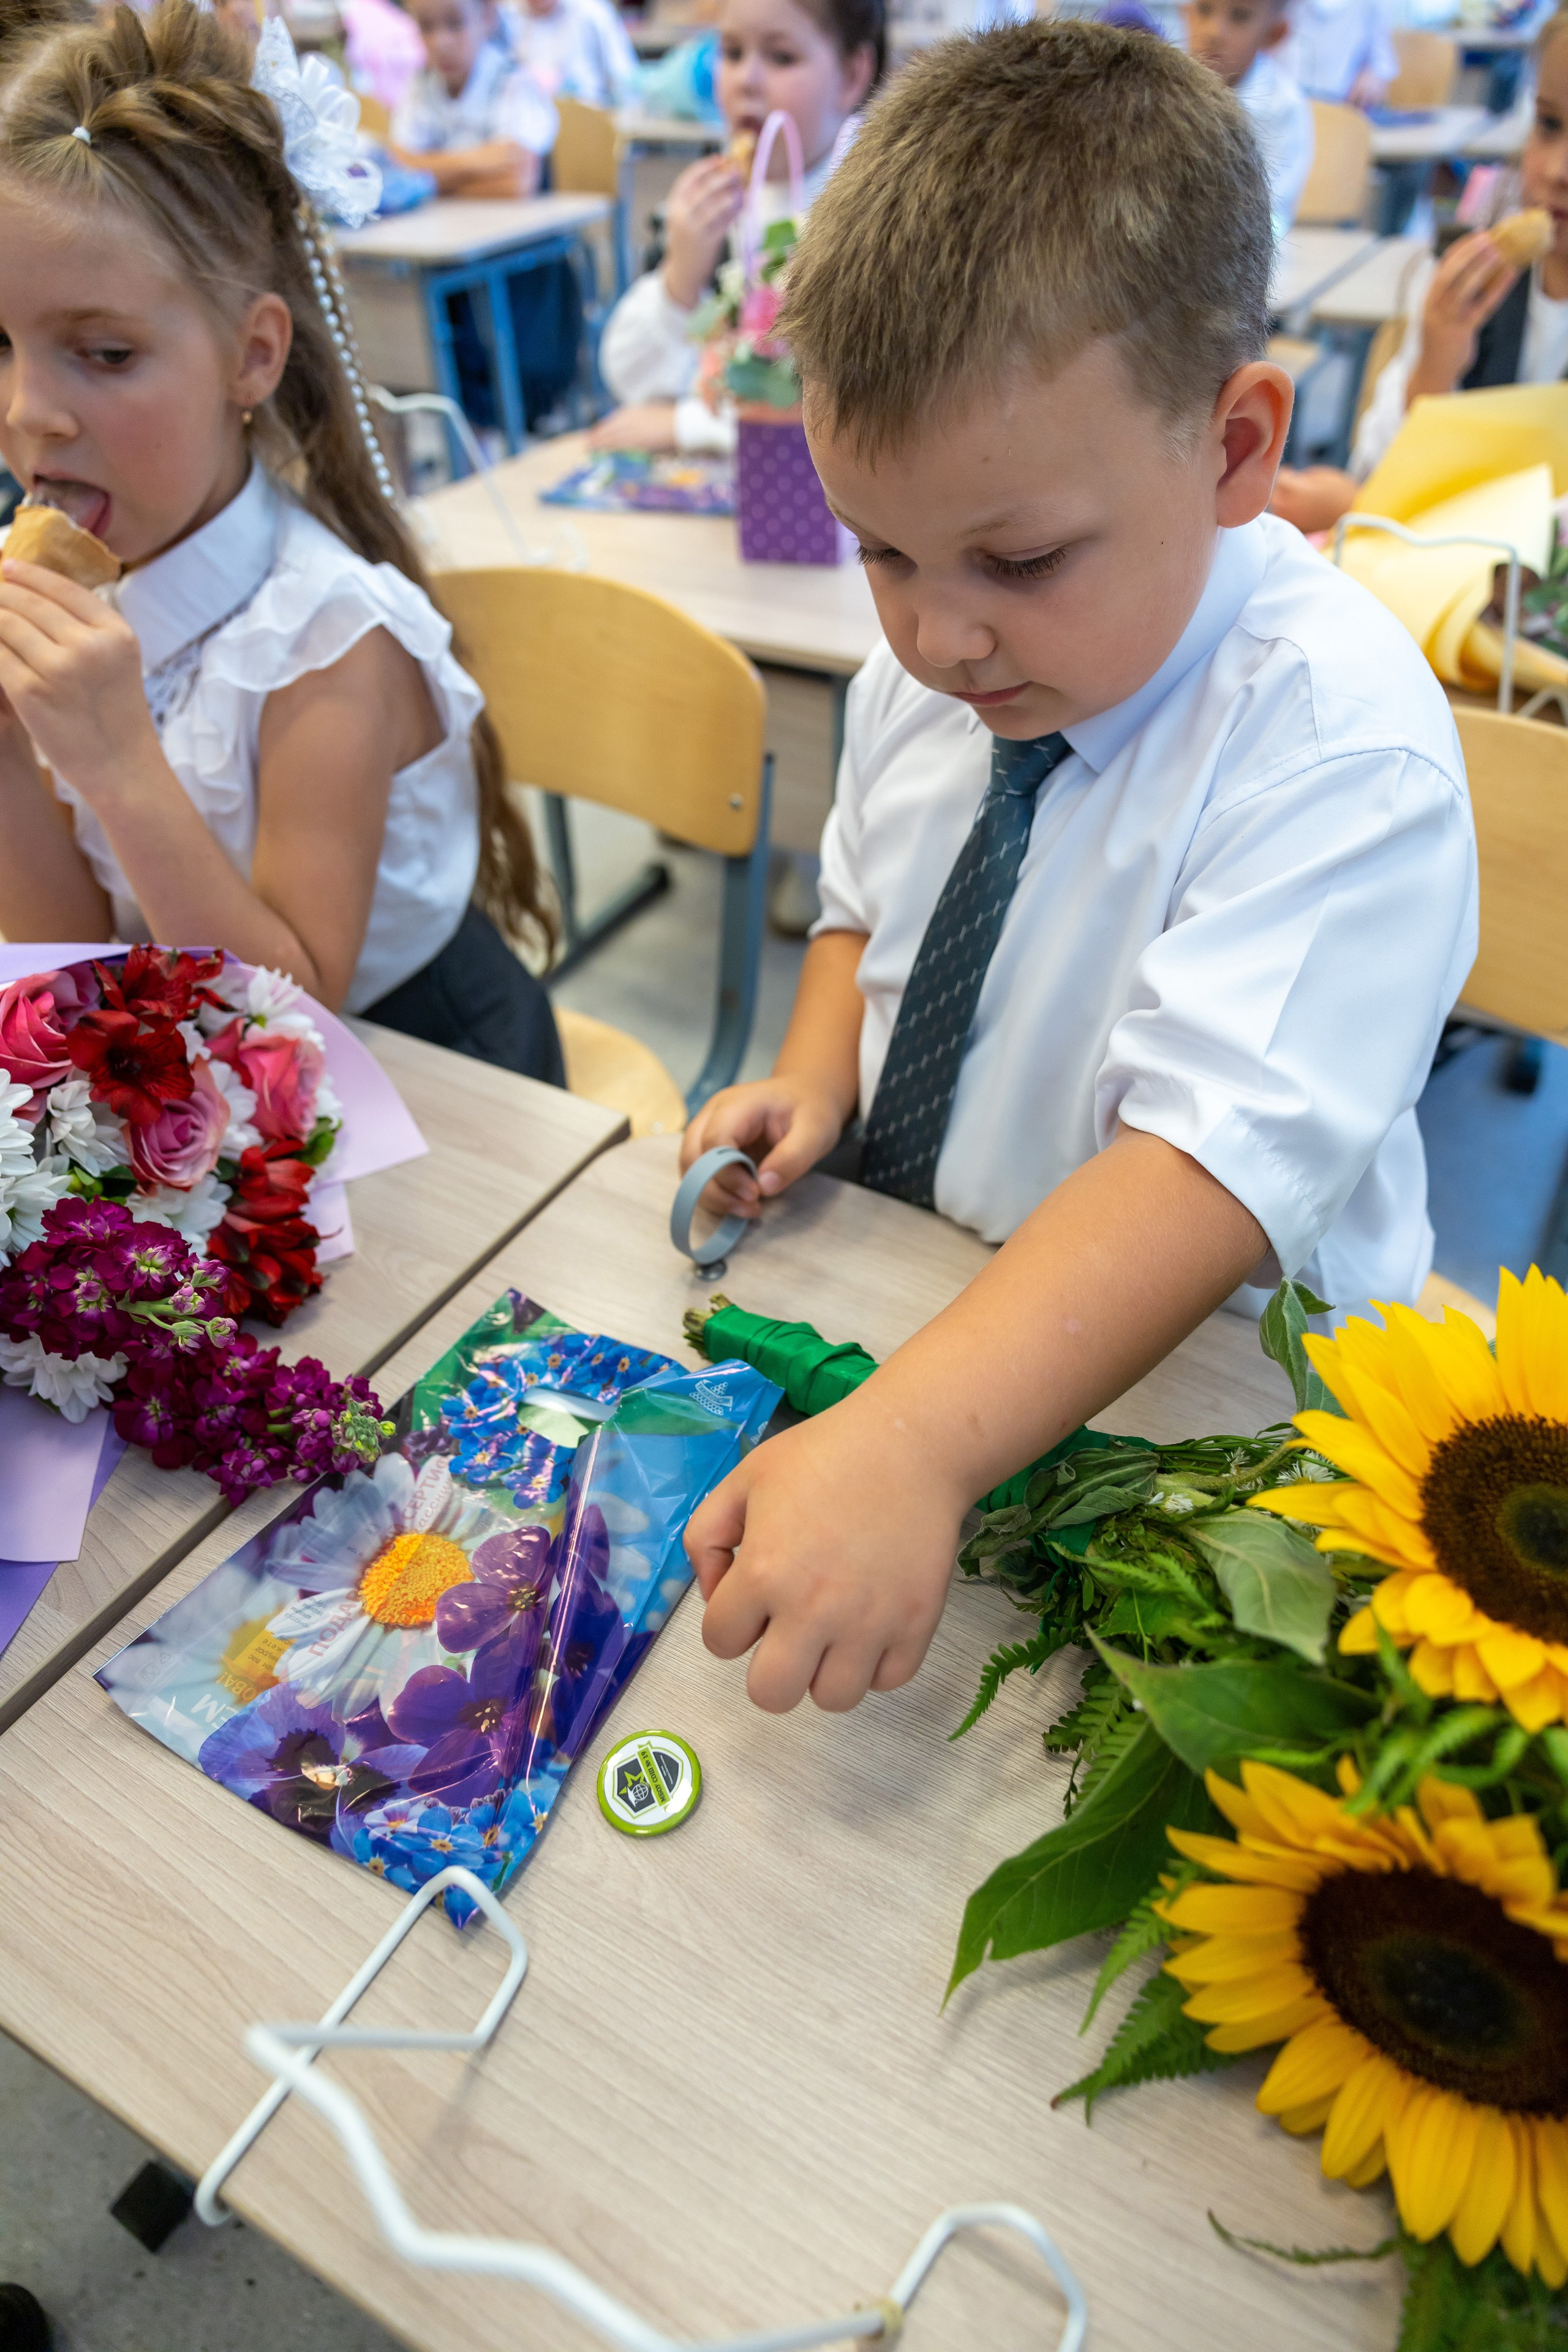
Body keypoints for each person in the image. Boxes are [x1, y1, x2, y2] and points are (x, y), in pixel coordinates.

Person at [677, 20, 1477, 1717]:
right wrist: (817, 1071)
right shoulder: (946, 656)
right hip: (932, 1325)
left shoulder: (1340, 743)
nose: (934, 631)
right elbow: (862, 907)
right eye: (879, 549)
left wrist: (908, 1440)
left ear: (1237, 448)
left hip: (1202, 1444)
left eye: (1019, 558)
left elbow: (1197, 1173)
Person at [0, 0, 564, 1083]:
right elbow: (76, 979)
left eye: (105, 354)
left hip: (422, 1080)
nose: (32, 413)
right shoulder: (94, 584)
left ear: (251, 358)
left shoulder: (328, 638)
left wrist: (117, 762)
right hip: (185, 1079)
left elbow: (291, 1035)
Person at [1272, 7, 1568, 537]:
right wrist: (1437, 362)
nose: (1557, 170)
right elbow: (1380, 468)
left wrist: (1353, 505)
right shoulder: (1474, 289)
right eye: (1549, 125)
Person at [591, 0, 881, 454]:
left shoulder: (879, 209)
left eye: (781, 57)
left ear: (851, 76)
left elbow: (867, 410)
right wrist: (680, 276)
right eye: (730, 53)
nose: (747, 80)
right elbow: (630, 382)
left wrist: (689, 427)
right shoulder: (713, 207)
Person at [388, 0, 557, 194]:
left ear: (487, 15)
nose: (441, 43)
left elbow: (515, 185)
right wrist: (485, 162)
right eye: (426, 27)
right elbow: (398, 165)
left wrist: (427, 173)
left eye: (455, 24)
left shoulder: (514, 82)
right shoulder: (421, 84)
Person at [1185, 0, 1313, 233]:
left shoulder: (1283, 107)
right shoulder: (1164, 93)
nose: (1214, 32)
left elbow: (1272, 216)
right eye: (1204, 9)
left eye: (1240, 16)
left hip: (1242, 253)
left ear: (1274, 34)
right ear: (1187, 14)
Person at [499, 0, 641, 109]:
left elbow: (624, 83)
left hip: (586, 124)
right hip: (524, 129)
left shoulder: (591, 13)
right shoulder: (507, 16)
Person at [1283, 0, 1395, 105]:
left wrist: (1374, 75)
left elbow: (1382, 62)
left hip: (1342, 101)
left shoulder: (1371, 5)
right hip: (1289, 94)